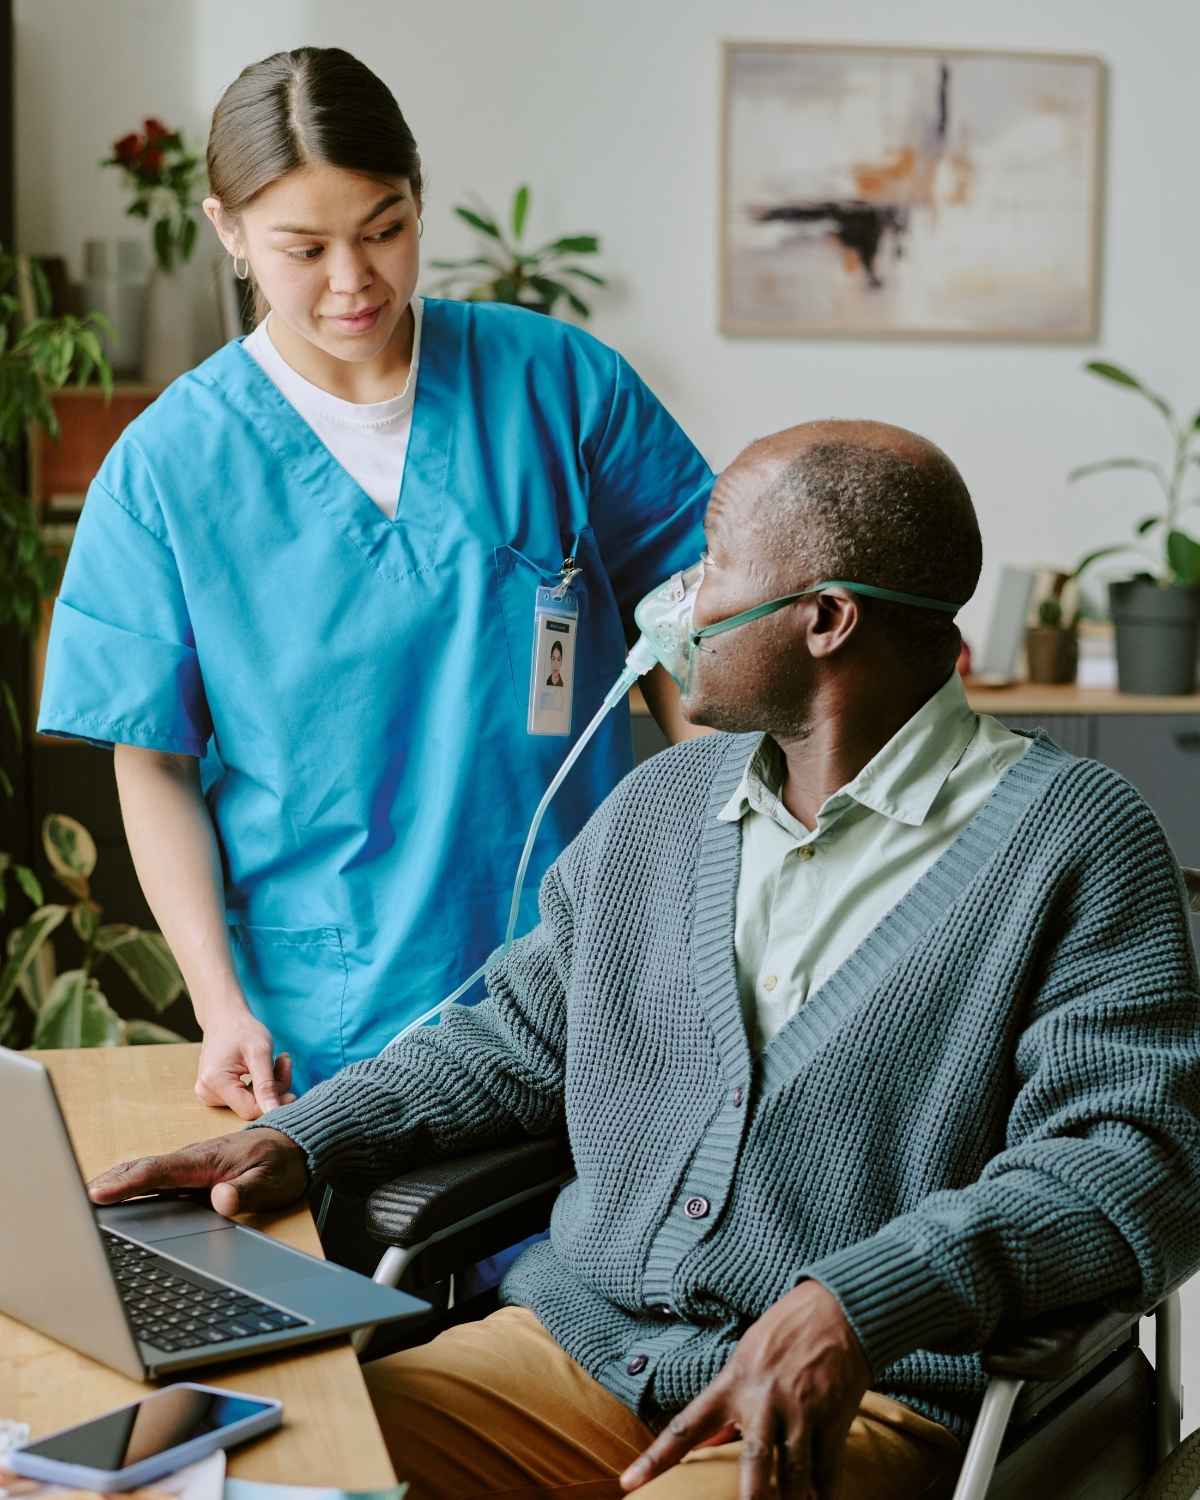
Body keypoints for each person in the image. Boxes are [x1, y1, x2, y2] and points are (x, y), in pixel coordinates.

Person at [89, 421, 1200, 1500]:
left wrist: (860, 1304)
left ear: (823, 621)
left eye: (712, 564)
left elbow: (1135, 1159)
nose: (677, 600)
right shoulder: (666, 803)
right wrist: (294, 1138)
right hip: (570, 1354)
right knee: (244, 1467)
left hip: (848, 1399)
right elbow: (509, 1038)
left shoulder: (1073, 839)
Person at [36, 47, 711, 1111]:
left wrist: (729, 886)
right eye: (303, 248)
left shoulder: (559, 386)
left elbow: (687, 631)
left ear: (417, 202)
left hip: (592, 986)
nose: (354, 282)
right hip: (332, 1017)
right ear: (230, 232)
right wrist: (219, 1008)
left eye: (384, 229)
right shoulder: (169, 467)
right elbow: (152, 762)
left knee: (577, 1276)